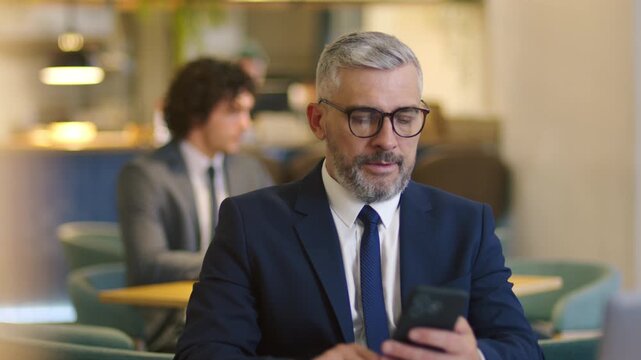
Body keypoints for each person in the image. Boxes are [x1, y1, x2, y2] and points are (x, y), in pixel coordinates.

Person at [175, 32, 542, 360]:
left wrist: (474, 356)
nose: (387, 140)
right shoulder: (251, 225)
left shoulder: (464, 225)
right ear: (318, 121)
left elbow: (522, 348)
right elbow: (203, 352)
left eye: (406, 116)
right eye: (364, 117)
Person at [117, 58, 273, 350]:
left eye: (248, 111)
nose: (245, 124)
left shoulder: (250, 170)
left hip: (249, 320)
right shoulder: (145, 175)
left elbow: (273, 247)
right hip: (176, 326)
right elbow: (148, 263)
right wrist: (230, 265)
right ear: (196, 113)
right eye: (233, 111)